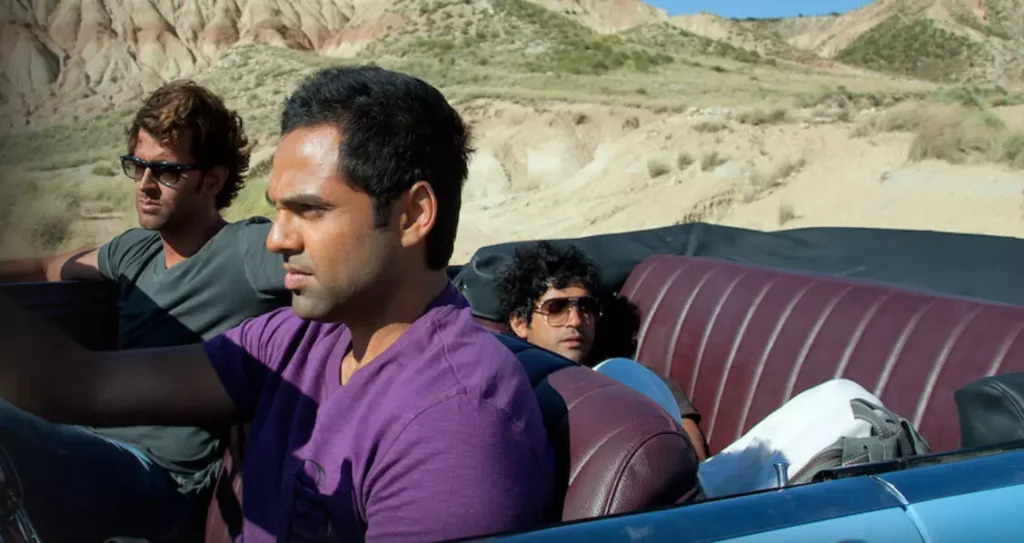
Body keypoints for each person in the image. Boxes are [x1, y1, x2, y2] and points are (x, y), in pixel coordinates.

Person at [0, 65, 555, 542]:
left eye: (309, 210)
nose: (275, 239)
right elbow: (83, 385)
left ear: (411, 215)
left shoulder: (454, 424)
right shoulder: (293, 338)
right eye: (277, 210)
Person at [0, 80, 290, 541]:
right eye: (137, 167)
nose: (146, 186)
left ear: (211, 181)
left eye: (167, 171)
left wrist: (269, 396)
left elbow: (332, 271)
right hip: (96, 446)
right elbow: (49, 264)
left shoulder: (248, 250)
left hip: (162, 482)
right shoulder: (134, 251)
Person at [495, 240, 710, 460]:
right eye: (557, 308)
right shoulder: (504, 387)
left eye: (585, 307)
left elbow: (697, 464)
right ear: (520, 322)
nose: (576, 320)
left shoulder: (634, 380)